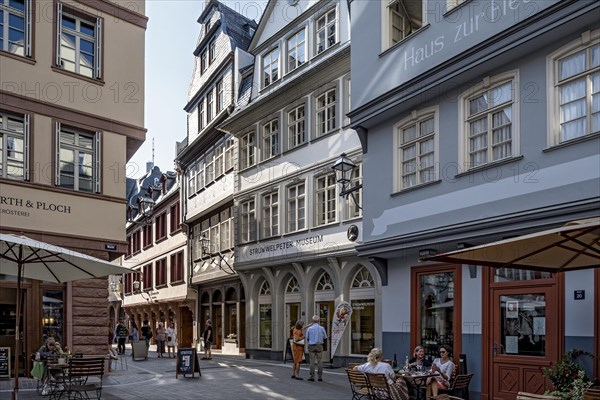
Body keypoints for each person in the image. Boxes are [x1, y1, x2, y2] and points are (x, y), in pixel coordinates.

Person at [304, 314, 327, 382]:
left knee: (312, 361)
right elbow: (325, 337)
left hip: (311, 345)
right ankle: (320, 376)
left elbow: (307, 337)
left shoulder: (309, 328)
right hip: (319, 345)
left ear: (313, 321)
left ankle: (312, 376)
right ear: (318, 321)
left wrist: (310, 341)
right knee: (320, 361)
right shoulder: (322, 328)